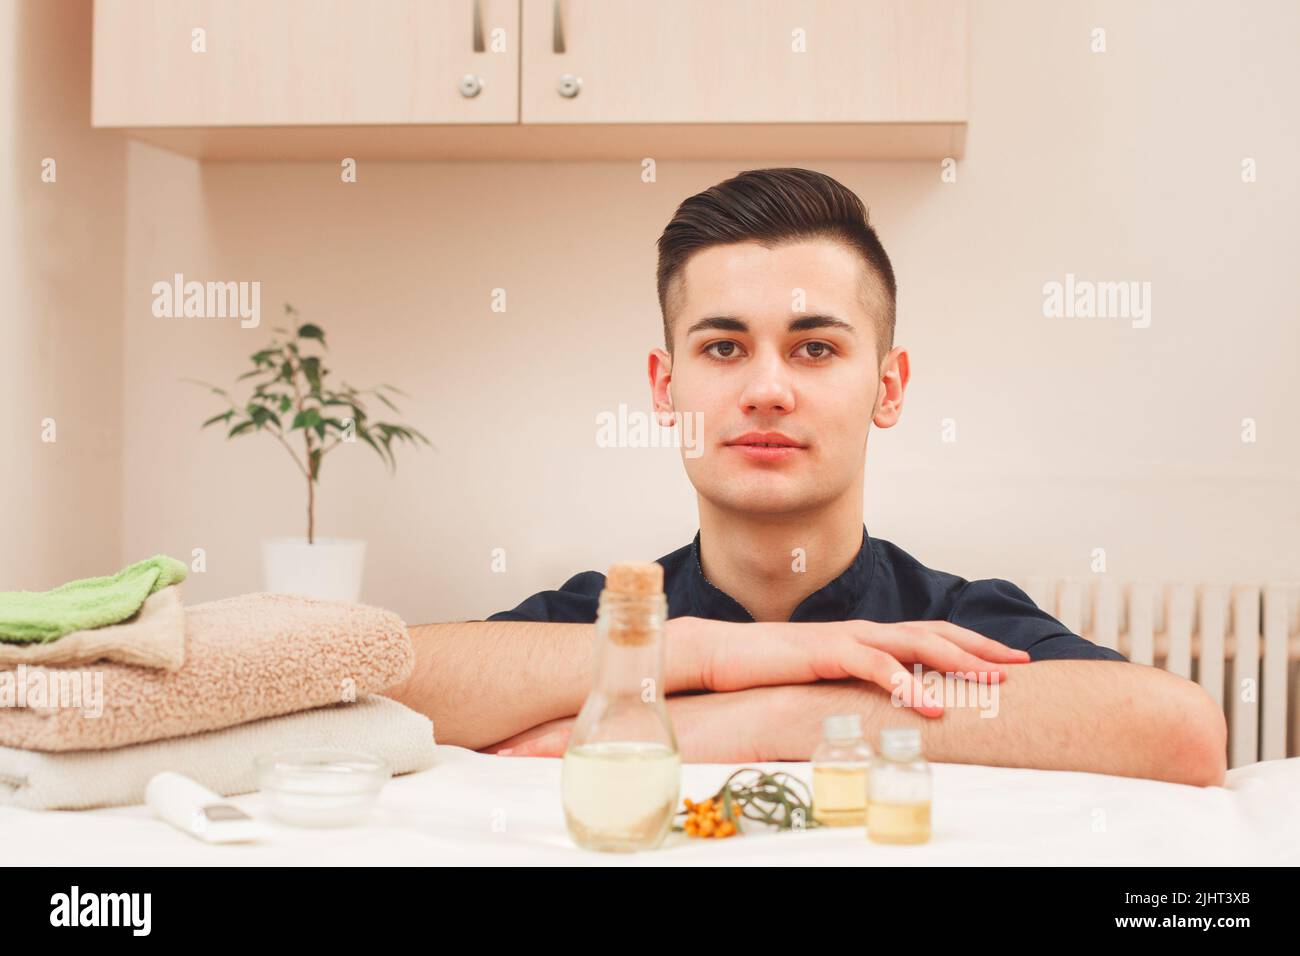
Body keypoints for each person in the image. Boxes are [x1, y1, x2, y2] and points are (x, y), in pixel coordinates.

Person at [389, 168, 1226, 786]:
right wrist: (715, 657)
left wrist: (779, 716)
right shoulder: (607, 624)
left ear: (888, 388)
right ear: (664, 387)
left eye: (815, 348)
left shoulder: (953, 625)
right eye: (724, 347)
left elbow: (1180, 731)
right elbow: (382, 687)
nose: (767, 390)